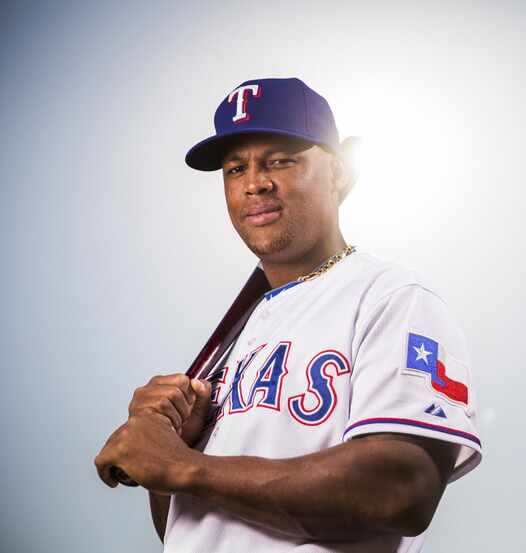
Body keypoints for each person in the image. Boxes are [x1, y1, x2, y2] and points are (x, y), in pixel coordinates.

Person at [94, 77, 482, 553]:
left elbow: (401, 489)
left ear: (339, 173)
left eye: (280, 159)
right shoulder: (238, 337)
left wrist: (184, 466)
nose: (255, 182)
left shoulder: (392, 297)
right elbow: (192, 530)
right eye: (236, 169)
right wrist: (171, 453)